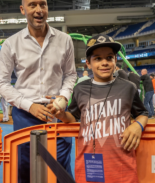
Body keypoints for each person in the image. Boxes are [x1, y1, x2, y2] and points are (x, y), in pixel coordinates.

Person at [0, 0, 77, 182]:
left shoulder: (65, 40)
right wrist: (29, 105)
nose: (39, 9)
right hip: (25, 114)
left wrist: (63, 98)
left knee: (60, 169)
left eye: (43, 4)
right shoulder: (11, 44)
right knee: (25, 167)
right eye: (33, 5)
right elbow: (1, 83)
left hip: (56, 113)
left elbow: (71, 74)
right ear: (23, 10)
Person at [48, 34, 148, 183]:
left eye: (109, 58)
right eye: (98, 59)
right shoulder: (80, 89)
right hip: (89, 167)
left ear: (115, 61)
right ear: (88, 63)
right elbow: (73, 116)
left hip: (123, 168)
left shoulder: (128, 87)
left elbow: (143, 113)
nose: (105, 63)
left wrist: (138, 125)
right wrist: (62, 115)